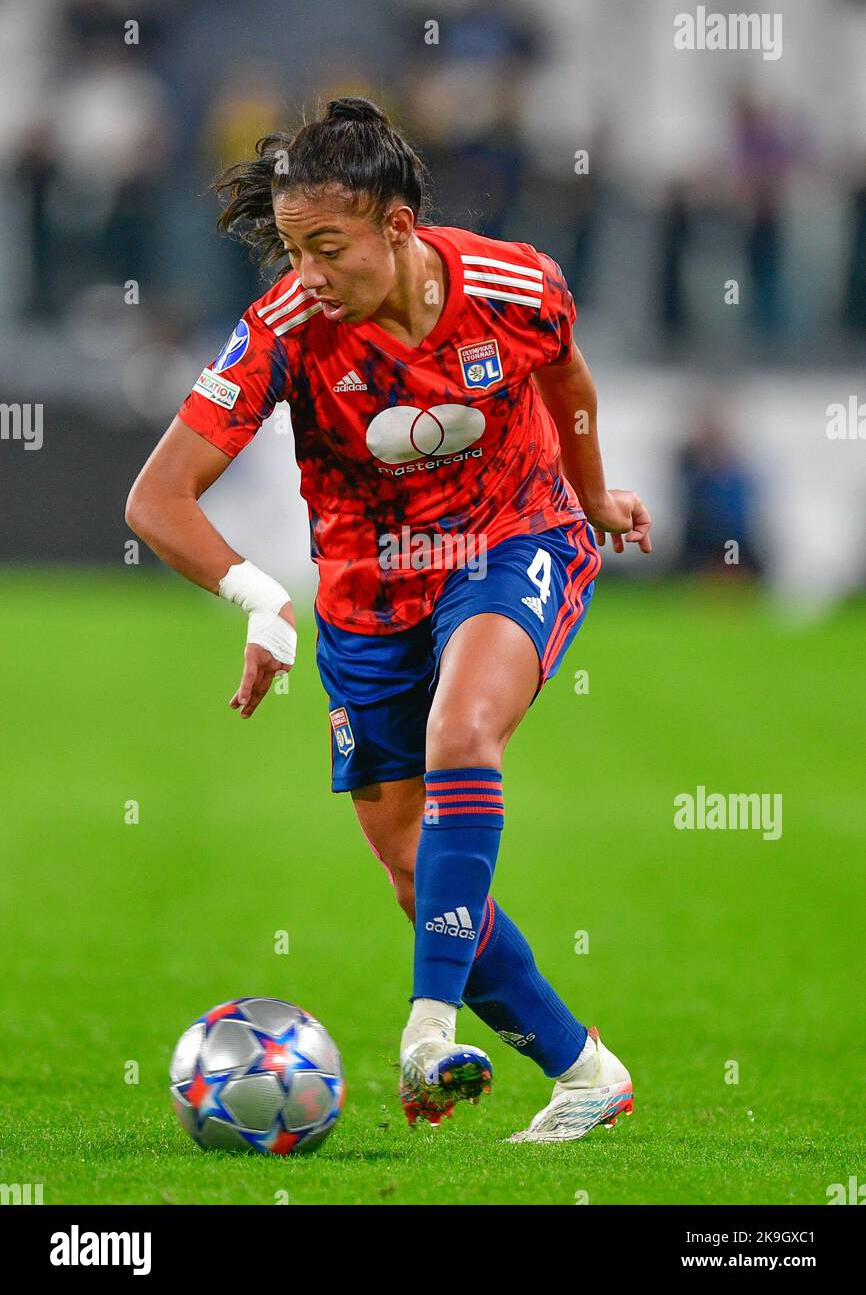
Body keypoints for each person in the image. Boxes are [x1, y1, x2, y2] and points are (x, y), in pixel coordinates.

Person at [125, 96, 652, 1143]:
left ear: (400, 228)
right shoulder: (283, 331)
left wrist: (589, 497)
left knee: (465, 732)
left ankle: (425, 1028)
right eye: (290, 249)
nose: (305, 272)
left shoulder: (511, 283)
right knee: (414, 868)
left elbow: (565, 378)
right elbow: (156, 499)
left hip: (511, 541)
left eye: (327, 247)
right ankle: (583, 1069)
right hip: (365, 597)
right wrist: (263, 600)